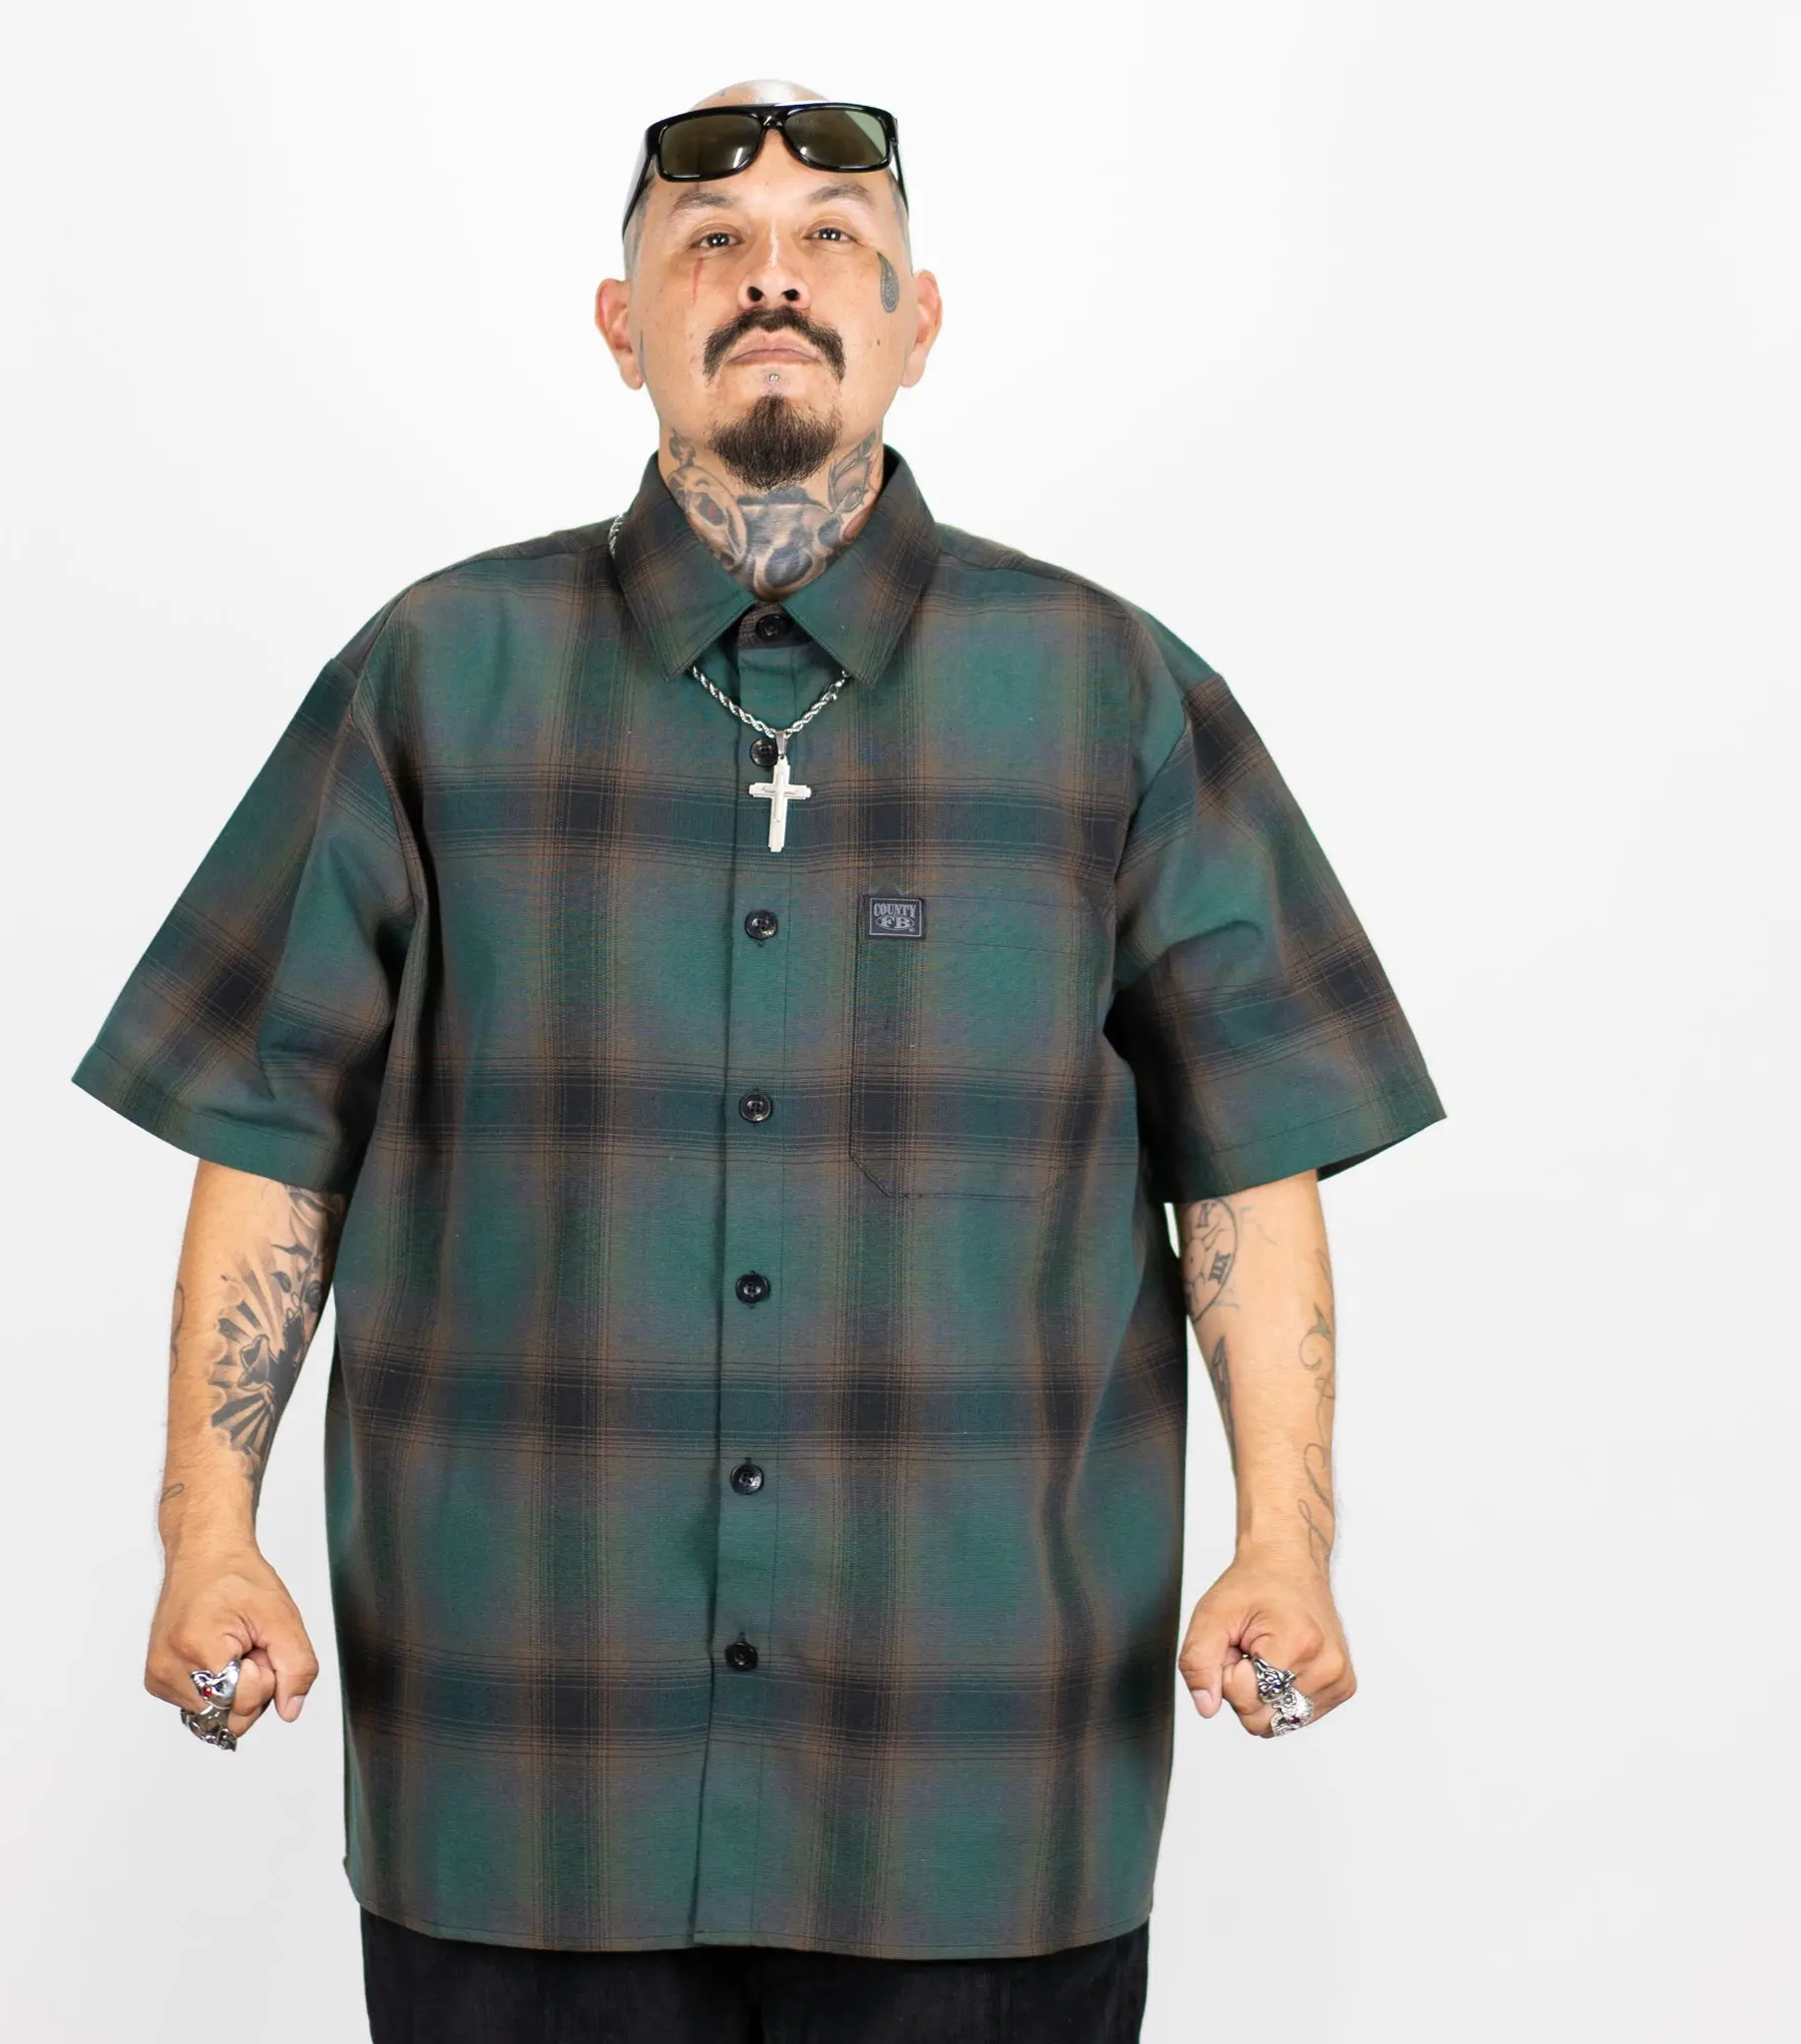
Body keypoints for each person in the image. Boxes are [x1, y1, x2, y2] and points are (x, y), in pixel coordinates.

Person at [71, 75, 1444, 2043]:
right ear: (619, 319)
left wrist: (1284, 1543)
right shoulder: (431, 677)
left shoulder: (1111, 693)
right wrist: (209, 1535)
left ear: (916, 320)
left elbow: (1249, 1163)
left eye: (831, 245)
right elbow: (272, 1129)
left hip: (981, 1786)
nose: (770, 277)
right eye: (710, 242)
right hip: (523, 1777)